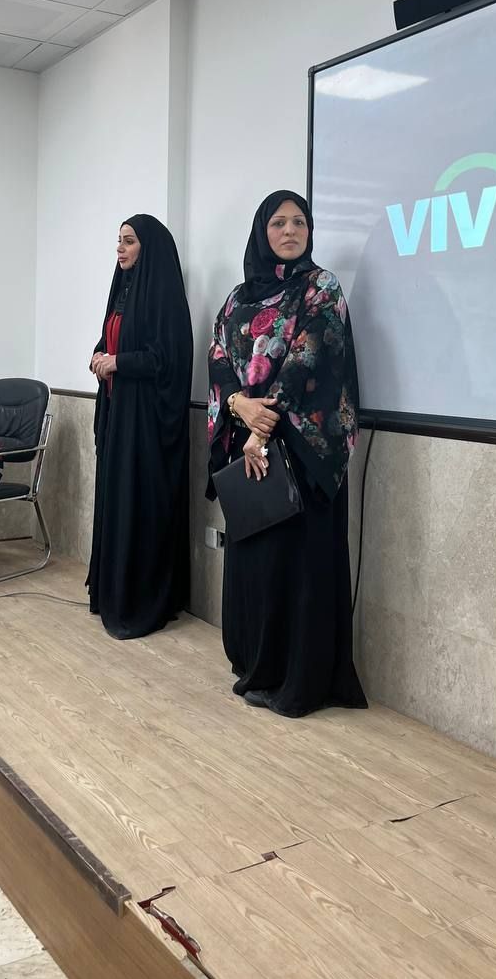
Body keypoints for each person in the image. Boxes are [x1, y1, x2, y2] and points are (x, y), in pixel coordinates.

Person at [207, 190, 367, 718]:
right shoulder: (237, 299)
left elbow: (307, 360)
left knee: (300, 568)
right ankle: (260, 664)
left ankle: (301, 680)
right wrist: (239, 407)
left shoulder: (321, 288)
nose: (290, 231)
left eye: (300, 222)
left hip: (303, 451)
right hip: (249, 442)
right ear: (262, 231)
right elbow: (219, 356)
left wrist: (263, 427)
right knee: (259, 562)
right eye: (279, 223)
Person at [88, 216, 193, 639]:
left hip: (147, 424)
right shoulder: (123, 293)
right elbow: (111, 341)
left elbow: (167, 358)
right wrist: (99, 356)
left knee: (141, 504)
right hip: (118, 416)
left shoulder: (164, 298)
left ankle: (142, 599)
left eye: (129, 241)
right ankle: (114, 591)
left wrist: (119, 362)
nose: (120, 248)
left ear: (149, 248)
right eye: (119, 241)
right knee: (117, 501)